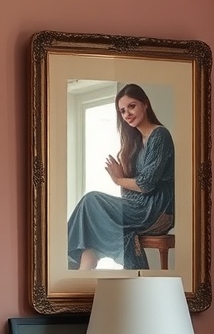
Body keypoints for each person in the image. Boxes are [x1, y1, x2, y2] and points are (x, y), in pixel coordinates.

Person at [67, 83, 175, 270]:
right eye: (122, 111)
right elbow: (129, 193)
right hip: (139, 207)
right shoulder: (134, 143)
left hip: (158, 210)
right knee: (91, 224)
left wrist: (118, 179)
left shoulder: (160, 135)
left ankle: (72, 266)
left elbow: (146, 184)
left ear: (145, 104)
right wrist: (124, 180)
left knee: (90, 201)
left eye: (131, 106)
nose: (127, 114)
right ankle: (83, 275)